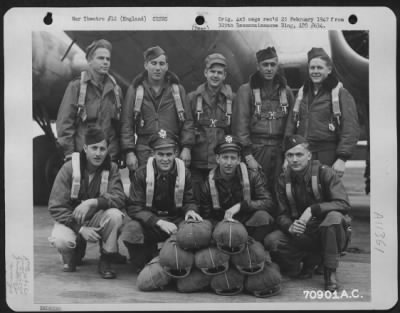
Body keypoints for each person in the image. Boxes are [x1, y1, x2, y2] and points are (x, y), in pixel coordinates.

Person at [264, 135, 351, 292]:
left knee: (333, 218)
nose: (295, 160)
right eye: (290, 155)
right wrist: (290, 226)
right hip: (303, 232)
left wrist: (313, 209)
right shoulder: (283, 180)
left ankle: (329, 271)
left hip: (327, 230)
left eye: (299, 154)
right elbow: (281, 214)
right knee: (273, 240)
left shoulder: (325, 173)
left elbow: (343, 203)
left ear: (309, 155)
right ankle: (309, 260)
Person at [48, 126, 126, 279]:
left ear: (107, 150)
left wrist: (93, 202)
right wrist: (80, 229)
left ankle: (106, 259)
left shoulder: (112, 168)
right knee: (61, 240)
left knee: (116, 216)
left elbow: (119, 197)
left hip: (96, 217)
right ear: (85, 148)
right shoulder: (69, 168)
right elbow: (56, 206)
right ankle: (72, 255)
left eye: (102, 149)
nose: (98, 153)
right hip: (72, 220)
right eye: (94, 148)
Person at [120, 129, 202, 272]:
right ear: (153, 154)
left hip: (176, 221)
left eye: (169, 154)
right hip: (151, 222)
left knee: (195, 230)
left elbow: (190, 199)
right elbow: (134, 207)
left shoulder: (185, 173)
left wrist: (190, 210)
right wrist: (158, 222)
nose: (165, 159)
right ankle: (144, 260)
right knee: (131, 230)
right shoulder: (141, 174)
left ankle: (174, 258)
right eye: (161, 154)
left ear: (175, 153)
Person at [285, 47, 360, 177]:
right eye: (312, 68)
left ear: (329, 70)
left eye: (319, 68)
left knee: (326, 194)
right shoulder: (302, 94)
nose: (315, 71)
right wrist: (287, 155)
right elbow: (290, 126)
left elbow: (351, 128)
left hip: (327, 155)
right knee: (303, 195)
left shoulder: (340, 94)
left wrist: (342, 158)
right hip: (302, 155)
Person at [120, 46, 194, 174]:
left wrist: (187, 148)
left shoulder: (177, 90)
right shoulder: (135, 90)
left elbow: (188, 121)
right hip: (144, 150)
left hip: (170, 150)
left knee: (172, 189)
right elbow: (127, 123)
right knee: (143, 188)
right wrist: (129, 152)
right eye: (153, 63)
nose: (157, 68)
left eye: (161, 64)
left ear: (166, 66)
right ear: (146, 65)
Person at [232, 46, 295, 191]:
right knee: (258, 189)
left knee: (281, 189)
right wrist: (248, 156)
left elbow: (291, 124)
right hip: (257, 150)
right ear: (257, 66)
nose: (269, 69)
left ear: (277, 66)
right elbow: (240, 126)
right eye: (265, 65)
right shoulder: (246, 91)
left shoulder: (286, 92)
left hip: (280, 150)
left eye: (272, 65)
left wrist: (288, 153)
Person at [56, 39, 123, 164]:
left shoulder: (116, 91)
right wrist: (69, 155)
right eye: (101, 58)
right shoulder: (76, 87)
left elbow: (120, 127)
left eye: (108, 59)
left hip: (109, 159)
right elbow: (65, 124)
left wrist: (121, 154)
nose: (105, 62)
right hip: (84, 158)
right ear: (89, 60)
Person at [200, 135, 276, 243]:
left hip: (248, 224)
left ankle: (252, 244)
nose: (229, 163)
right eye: (225, 157)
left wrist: (242, 205)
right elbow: (206, 216)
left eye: (233, 158)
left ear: (239, 159)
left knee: (263, 216)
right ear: (217, 159)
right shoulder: (208, 182)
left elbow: (268, 203)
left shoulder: (252, 176)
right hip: (222, 227)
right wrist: (224, 227)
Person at [186, 53, 234, 202]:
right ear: (205, 73)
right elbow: (187, 125)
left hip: (222, 160)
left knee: (220, 199)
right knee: (196, 198)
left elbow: (236, 129)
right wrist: (186, 148)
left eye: (219, 73)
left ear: (224, 75)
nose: (215, 75)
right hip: (198, 159)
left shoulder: (233, 99)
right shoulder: (192, 98)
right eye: (212, 71)